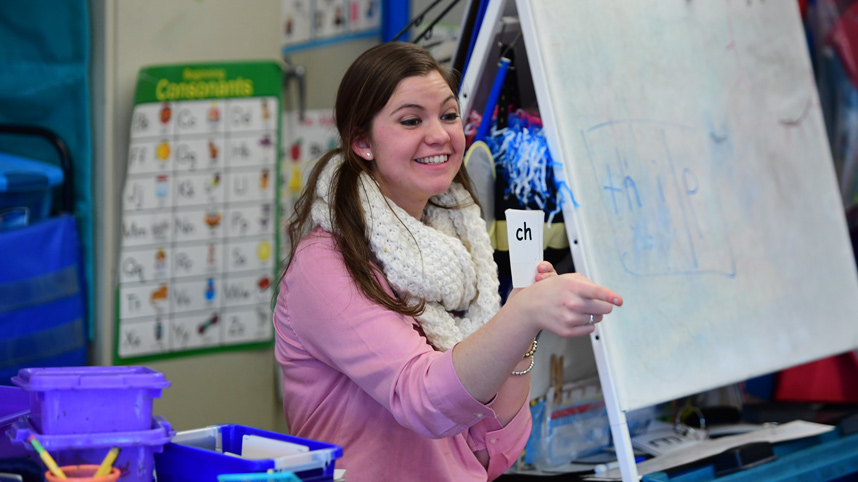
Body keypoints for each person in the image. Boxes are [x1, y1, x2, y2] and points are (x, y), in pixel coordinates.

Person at [273, 42, 623, 482]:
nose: (439, 134)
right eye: (411, 120)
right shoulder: (326, 264)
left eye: (449, 115)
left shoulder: (458, 244)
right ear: (362, 141)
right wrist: (520, 315)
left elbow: (493, 450)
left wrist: (523, 328)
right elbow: (422, 400)